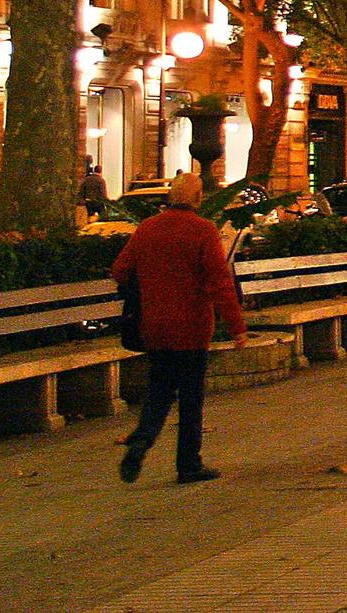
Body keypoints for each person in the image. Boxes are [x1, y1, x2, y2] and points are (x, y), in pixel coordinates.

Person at [112, 173, 245, 484]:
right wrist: (236, 326)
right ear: (198, 199)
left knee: (158, 391)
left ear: (171, 196)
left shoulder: (147, 228)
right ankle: (188, 464)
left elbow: (120, 269)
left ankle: (142, 439)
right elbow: (219, 282)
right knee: (190, 398)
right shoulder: (203, 231)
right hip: (192, 328)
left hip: (155, 326)